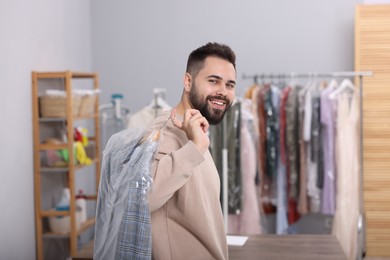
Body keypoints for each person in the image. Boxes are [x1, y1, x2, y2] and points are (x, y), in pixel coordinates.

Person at [147, 42, 237, 260]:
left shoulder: (195, 130)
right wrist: (196, 147)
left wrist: (197, 143)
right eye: (213, 81)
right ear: (188, 81)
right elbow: (143, 198)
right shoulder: (162, 132)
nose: (223, 92)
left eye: (230, 85)